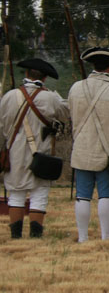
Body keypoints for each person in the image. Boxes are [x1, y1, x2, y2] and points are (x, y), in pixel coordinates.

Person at [67, 47, 109, 242]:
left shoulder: (75, 88)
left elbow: (71, 116)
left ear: (93, 65)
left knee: (83, 195)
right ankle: (106, 237)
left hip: (81, 149)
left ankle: (83, 237)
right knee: (106, 196)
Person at [1, 58, 69, 239]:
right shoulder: (51, 97)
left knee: (16, 196)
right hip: (41, 153)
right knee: (39, 195)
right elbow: (65, 113)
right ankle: (35, 237)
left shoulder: (9, 96)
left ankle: (16, 237)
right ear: (45, 78)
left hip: (14, 153)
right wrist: (55, 96)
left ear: (26, 74)